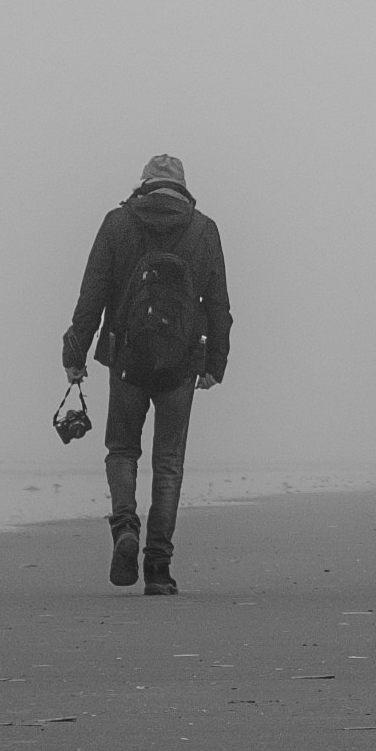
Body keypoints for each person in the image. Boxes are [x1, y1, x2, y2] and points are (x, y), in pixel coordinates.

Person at [61, 153, 230, 595]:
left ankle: (124, 528)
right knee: (168, 465)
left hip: (127, 360)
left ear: (144, 183)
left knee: (122, 451)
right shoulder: (204, 229)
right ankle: (158, 569)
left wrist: (74, 353)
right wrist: (215, 365)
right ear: (182, 187)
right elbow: (218, 305)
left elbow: (92, 292)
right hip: (180, 364)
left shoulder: (118, 223)